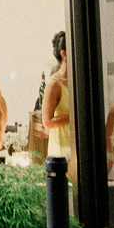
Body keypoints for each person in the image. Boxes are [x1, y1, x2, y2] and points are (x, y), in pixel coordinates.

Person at [35, 32, 72, 160]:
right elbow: (47, 122)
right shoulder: (54, 83)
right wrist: (74, 117)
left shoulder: (79, 82)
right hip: (61, 150)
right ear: (64, 54)